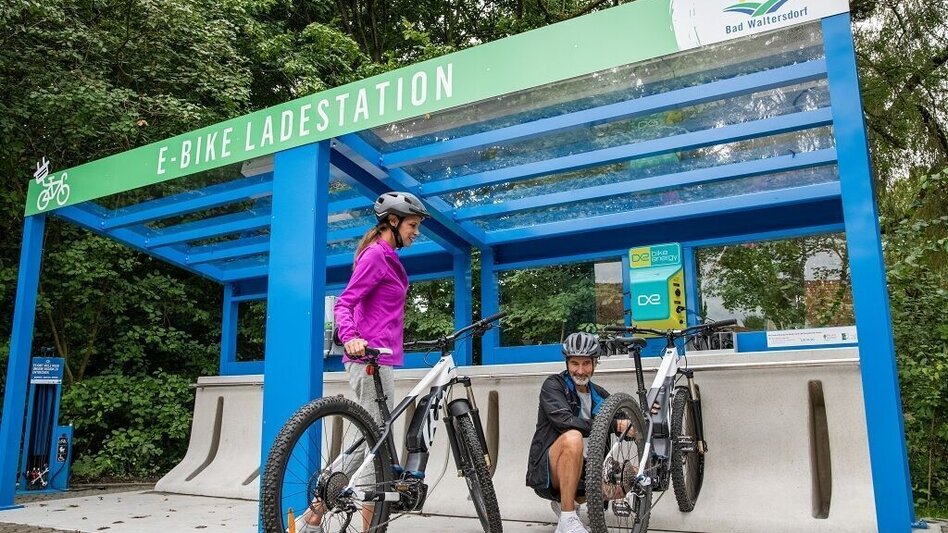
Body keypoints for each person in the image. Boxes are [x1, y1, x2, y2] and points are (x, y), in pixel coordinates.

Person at [294, 191, 429, 533]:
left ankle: (312, 518)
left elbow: (381, 311)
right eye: (413, 225)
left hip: (381, 358)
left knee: (364, 442)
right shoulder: (376, 256)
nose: (416, 232)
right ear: (393, 222)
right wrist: (352, 336)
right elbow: (345, 304)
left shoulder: (387, 256)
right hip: (369, 358)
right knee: (376, 445)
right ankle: (366, 528)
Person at [525, 332, 632, 533]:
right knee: (573, 436)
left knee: (630, 476)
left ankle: (571, 503)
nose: (580, 370)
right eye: (575, 363)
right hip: (550, 470)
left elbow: (624, 420)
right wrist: (613, 425)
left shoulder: (599, 394)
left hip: (587, 472)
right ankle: (567, 518)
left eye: (586, 364)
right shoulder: (553, 385)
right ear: (567, 363)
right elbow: (564, 421)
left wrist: (636, 423)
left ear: (595, 364)